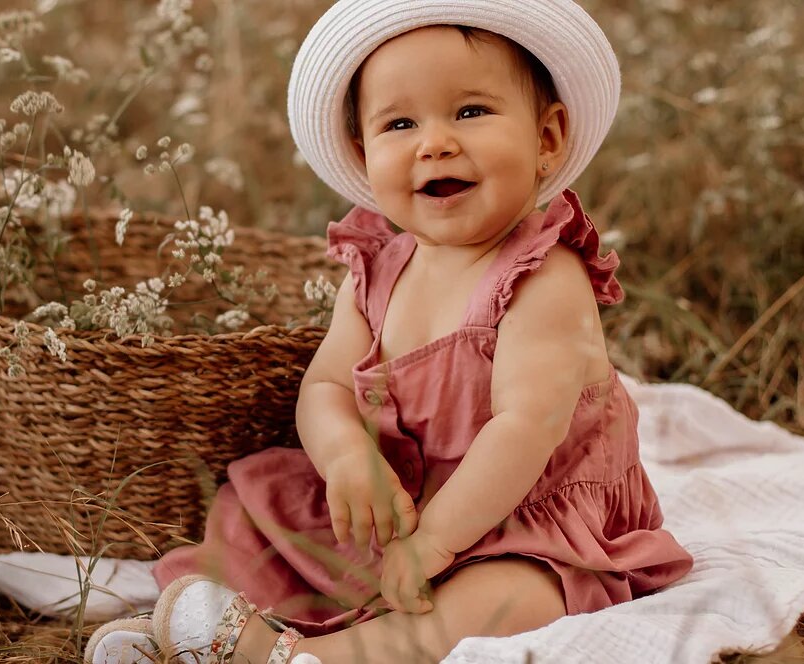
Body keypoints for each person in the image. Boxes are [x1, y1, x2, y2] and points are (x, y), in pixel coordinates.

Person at [85, 0, 693, 662]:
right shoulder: (376, 269)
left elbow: (526, 427)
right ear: (363, 152)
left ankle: (312, 657)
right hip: (396, 507)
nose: (435, 142)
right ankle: (194, 635)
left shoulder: (544, 276)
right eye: (400, 123)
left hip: (524, 515)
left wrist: (435, 542)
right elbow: (325, 385)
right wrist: (346, 455)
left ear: (547, 139)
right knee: (261, 512)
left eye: (470, 111)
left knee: (516, 601)